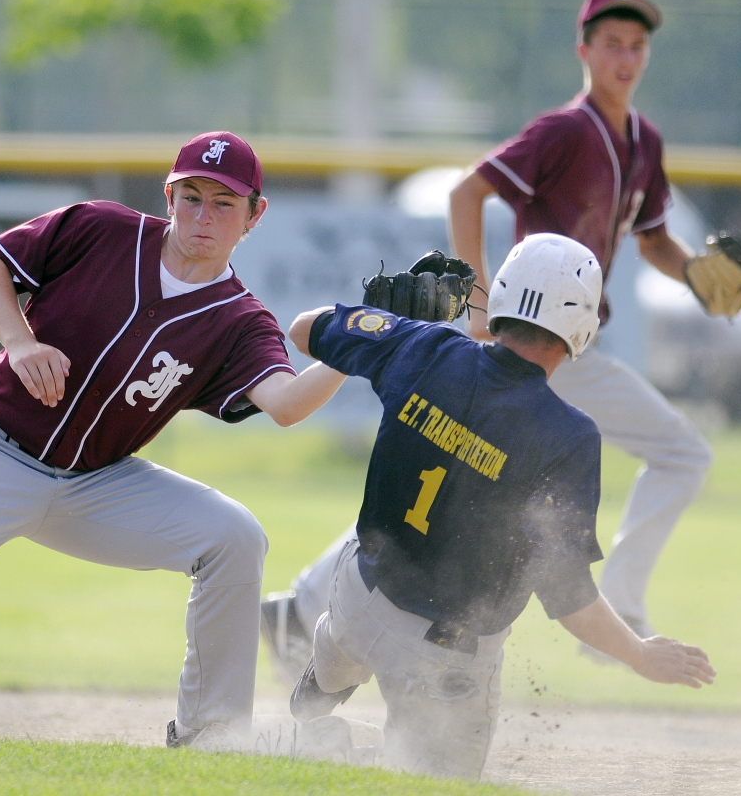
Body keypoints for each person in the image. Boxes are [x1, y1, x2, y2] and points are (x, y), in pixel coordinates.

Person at [0, 131, 346, 746]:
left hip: (96, 483)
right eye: (192, 197)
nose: (203, 216)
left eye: (224, 203)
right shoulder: (103, 229)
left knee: (234, 536)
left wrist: (359, 347)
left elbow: (286, 404)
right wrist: (20, 342)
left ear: (254, 214)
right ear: (169, 196)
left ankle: (210, 731)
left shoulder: (239, 319)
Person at [261, 0, 720, 680]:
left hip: (572, 349)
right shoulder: (565, 130)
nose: (625, 57)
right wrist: (479, 303)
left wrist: (703, 278)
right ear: (584, 50)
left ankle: (299, 611)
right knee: (675, 454)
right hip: (534, 338)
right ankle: (619, 610)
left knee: (437, 474)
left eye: (637, 45)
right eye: (612, 43)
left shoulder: (643, 141)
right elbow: (466, 190)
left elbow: (654, 239)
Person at [284, 233, 716, 780]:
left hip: (357, 593)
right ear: (582, 329)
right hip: (441, 657)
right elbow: (567, 597)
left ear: (502, 298)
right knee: (435, 783)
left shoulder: (422, 346)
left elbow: (302, 330)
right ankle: (346, 746)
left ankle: (328, 673)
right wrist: (638, 653)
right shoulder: (568, 434)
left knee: (349, 620)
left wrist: (385, 320)